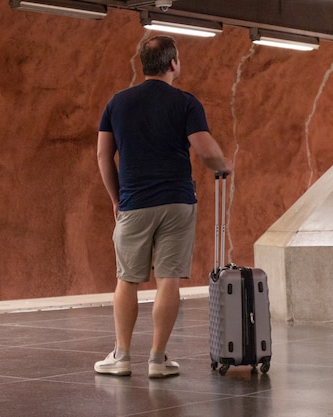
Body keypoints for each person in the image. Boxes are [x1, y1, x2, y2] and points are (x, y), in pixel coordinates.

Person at [94, 35, 233, 378]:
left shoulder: (117, 102)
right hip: (177, 202)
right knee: (168, 279)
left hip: (135, 202)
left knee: (127, 280)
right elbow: (205, 150)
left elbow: (102, 154)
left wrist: (116, 198)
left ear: (143, 65)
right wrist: (224, 165)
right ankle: (157, 359)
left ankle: (122, 356)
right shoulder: (185, 102)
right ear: (173, 64)